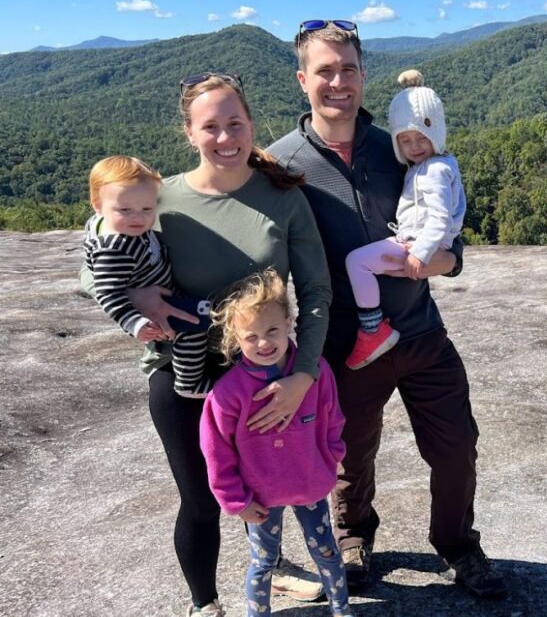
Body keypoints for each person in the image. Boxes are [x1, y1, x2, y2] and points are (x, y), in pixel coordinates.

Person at [268, 19, 507, 599]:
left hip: (421, 330)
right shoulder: (280, 163)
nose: (338, 82)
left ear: (363, 74)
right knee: (349, 453)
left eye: (348, 69)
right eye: (324, 71)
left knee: (456, 446)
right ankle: (354, 539)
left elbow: (449, 230)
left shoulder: (401, 144)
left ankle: (457, 545)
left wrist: (445, 263)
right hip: (347, 342)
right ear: (303, 79)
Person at [81, 72, 332, 616]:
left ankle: (273, 566)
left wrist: (303, 375)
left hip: (264, 374)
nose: (225, 137)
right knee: (201, 499)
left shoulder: (283, 197)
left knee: (266, 488)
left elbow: (315, 292)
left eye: (234, 124)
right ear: (189, 133)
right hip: (181, 376)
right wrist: (143, 298)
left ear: (251, 125)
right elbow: (93, 263)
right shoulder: (158, 197)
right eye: (210, 127)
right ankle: (205, 605)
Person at [199, 269, 353, 617]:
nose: (263, 343)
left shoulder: (315, 371)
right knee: (263, 561)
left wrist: (331, 459)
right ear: (235, 337)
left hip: (311, 485)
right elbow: (216, 450)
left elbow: (333, 418)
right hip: (260, 498)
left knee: (327, 552)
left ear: (289, 322)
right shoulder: (228, 393)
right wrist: (236, 501)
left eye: (272, 330)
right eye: (250, 336)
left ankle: (343, 610)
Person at [343, 69, 466, 370]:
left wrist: (421, 255)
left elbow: (438, 218)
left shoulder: (434, 170)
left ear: (436, 133)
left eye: (421, 137)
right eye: (405, 140)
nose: (414, 147)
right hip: (414, 241)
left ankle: (372, 330)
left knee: (356, 262)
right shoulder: (430, 165)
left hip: (415, 245)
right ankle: (373, 329)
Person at [82, 155, 213, 398]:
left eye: (147, 209)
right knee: (192, 328)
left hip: (160, 290)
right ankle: (189, 382)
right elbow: (108, 293)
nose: (138, 218)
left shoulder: (115, 227)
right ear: (97, 205)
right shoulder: (114, 247)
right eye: (125, 210)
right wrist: (135, 323)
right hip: (157, 309)